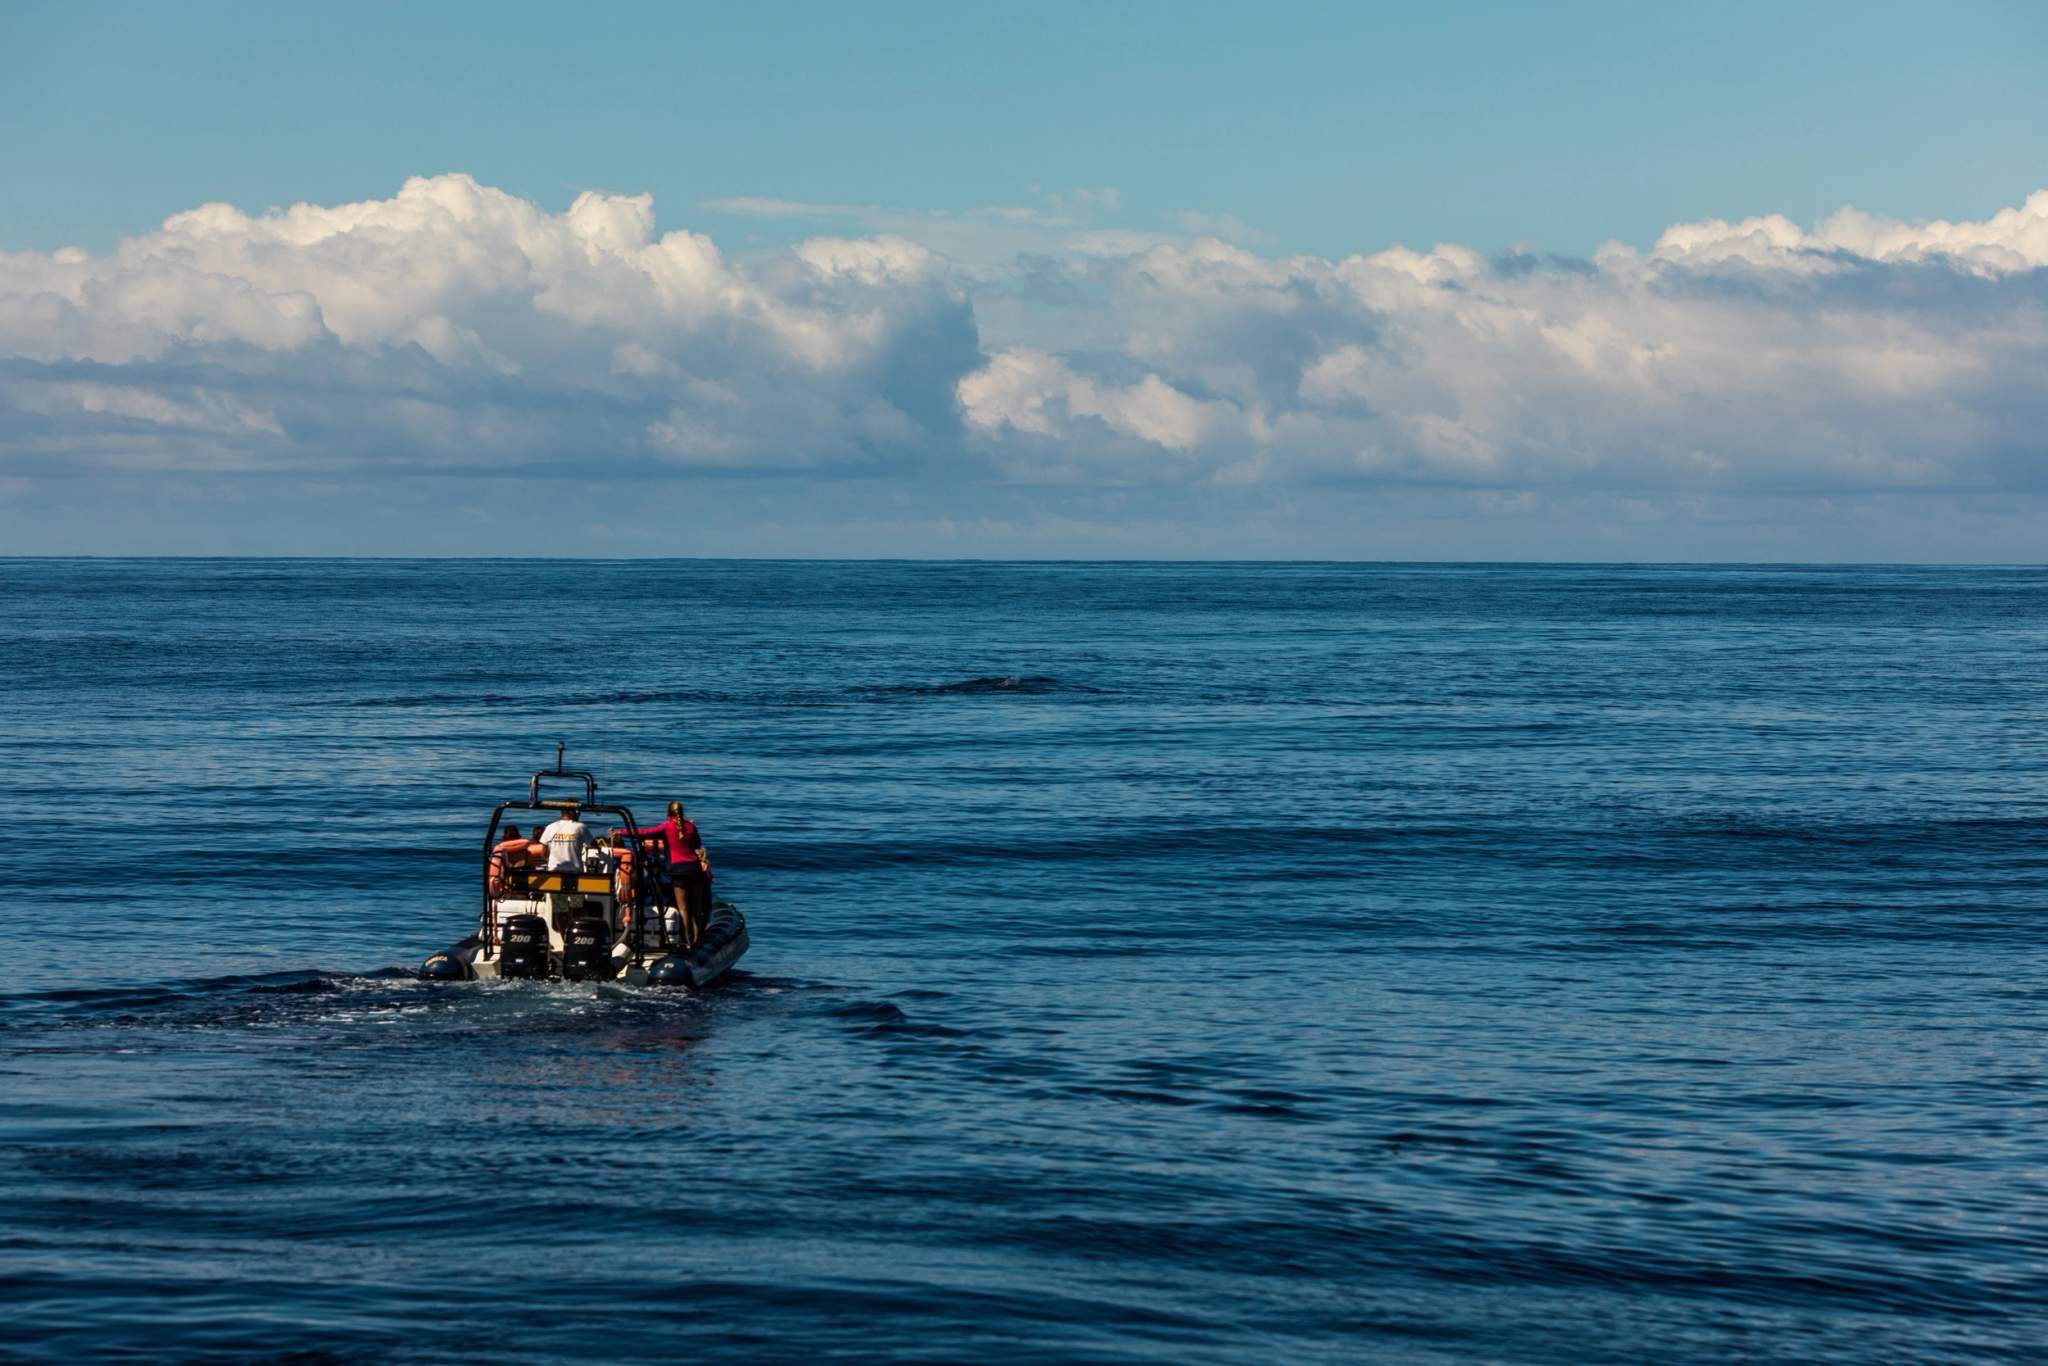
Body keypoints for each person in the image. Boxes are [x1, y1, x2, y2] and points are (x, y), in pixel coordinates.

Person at [617, 801, 711, 948]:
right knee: (696, 909)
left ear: (668, 813)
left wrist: (621, 832)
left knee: (683, 909)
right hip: (695, 869)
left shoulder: (667, 827)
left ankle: (687, 942)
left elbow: (643, 833)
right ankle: (698, 942)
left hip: (679, 872)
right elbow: (697, 845)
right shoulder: (691, 826)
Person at [487, 824, 544, 896]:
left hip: (507, 890)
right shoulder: (528, 854)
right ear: (519, 838)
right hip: (525, 889)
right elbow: (533, 870)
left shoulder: (499, 856)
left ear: (503, 839)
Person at [539, 804, 594, 870]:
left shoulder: (549, 827)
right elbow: (592, 845)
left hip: (554, 870)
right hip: (575, 871)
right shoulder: (581, 827)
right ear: (575, 812)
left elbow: (544, 853)